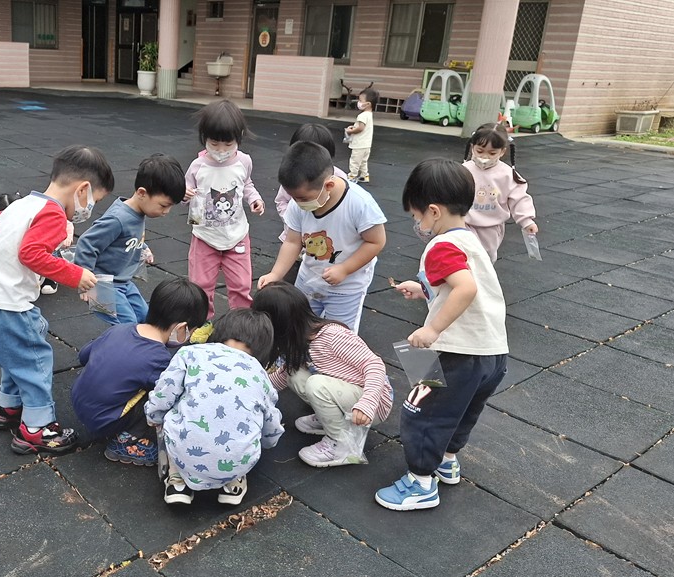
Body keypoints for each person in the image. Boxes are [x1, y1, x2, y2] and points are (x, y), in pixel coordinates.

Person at [375, 158, 508, 511]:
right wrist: (424, 289)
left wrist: (432, 328)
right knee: (461, 411)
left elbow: (465, 288)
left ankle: (420, 482)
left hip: (456, 354)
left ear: (433, 211)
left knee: (423, 411)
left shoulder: (440, 246)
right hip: (492, 354)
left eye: (417, 216)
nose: (418, 224)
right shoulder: (470, 240)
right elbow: (460, 283)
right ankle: (447, 461)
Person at [0, 145, 115, 455]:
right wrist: (75, 274)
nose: (89, 209)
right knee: (36, 362)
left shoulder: (20, 205)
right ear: (83, 190)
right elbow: (30, 253)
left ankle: (9, 407)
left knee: (14, 357)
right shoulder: (53, 213)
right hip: (8, 305)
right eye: (95, 201)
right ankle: (38, 428)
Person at [146, 309, 283, 506]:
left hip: (184, 451)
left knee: (173, 410)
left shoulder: (190, 353)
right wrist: (268, 442)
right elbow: (270, 420)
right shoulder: (259, 373)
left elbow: (164, 393)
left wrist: (154, 416)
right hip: (238, 459)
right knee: (248, 423)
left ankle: (177, 481)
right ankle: (233, 483)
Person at [252, 281, 393, 467]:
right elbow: (282, 376)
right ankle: (331, 419)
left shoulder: (332, 336)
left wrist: (367, 403)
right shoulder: (299, 340)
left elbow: (375, 365)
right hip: (346, 395)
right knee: (294, 374)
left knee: (316, 385)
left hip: (373, 404)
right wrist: (253, 390)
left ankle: (342, 445)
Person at [71, 279, 209, 466]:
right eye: (191, 331)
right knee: (165, 392)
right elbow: (171, 395)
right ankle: (126, 441)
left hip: (80, 401)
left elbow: (83, 356)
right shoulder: (159, 358)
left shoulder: (120, 329)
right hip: (104, 420)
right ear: (181, 328)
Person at [258, 141, 387, 333]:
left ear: (329, 185)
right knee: (300, 328)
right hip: (308, 278)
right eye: (293, 198)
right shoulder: (298, 204)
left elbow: (376, 241)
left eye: (303, 198)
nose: (297, 203)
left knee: (339, 334)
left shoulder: (360, 204)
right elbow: (292, 241)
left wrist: (344, 269)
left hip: (346, 286)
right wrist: (276, 274)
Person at [75, 154, 185, 323]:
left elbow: (127, 237)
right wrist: (84, 280)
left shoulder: (137, 212)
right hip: (103, 283)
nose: (166, 212)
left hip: (123, 282)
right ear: (142, 193)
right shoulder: (118, 219)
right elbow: (86, 243)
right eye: (164, 205)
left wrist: (142, 247)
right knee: (128, 325)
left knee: (145, 318)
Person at [184, 99, 265, 319]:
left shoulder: (244, 162)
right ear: (204, 138)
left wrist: (254, 199)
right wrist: (184, 195)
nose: (221, 150)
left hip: (236, 235)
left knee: (241, 285)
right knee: (200, 286)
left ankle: (241, 323)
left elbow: (247, 184)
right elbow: (185, 191)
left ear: (239, 137)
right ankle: (203, 323)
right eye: (214, 143)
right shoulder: (197, 166)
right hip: (205, 236)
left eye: (228, 144)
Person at [462, 122, 538, 261]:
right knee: (461, 256)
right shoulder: (464, 170)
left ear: (502, 152)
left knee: (485, 259)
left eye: (492, 153)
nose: (485, 157)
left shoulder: (507, 174)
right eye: (480, 151)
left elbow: (520, 198)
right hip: (463, 223)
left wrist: (527, 221)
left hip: (490, 227)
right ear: (472, 147)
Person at [273, 123, 349, 242]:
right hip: (297, 236)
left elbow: (346, 205)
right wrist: (291, 220)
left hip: (326, 239)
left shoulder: (340, 178)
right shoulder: (292, 177)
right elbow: (282, 200)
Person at [345, 86, 378, 183]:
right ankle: (364, 175)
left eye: (360, 100)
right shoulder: (369, 114)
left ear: (368, 104)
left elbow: (360, 128)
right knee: (363, 161)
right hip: (366, 144)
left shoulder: (362, 115)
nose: (358, 102)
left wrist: (350, 131)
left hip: (359, 144)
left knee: (354, 160)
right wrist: (354, 127)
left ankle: (352, 176)